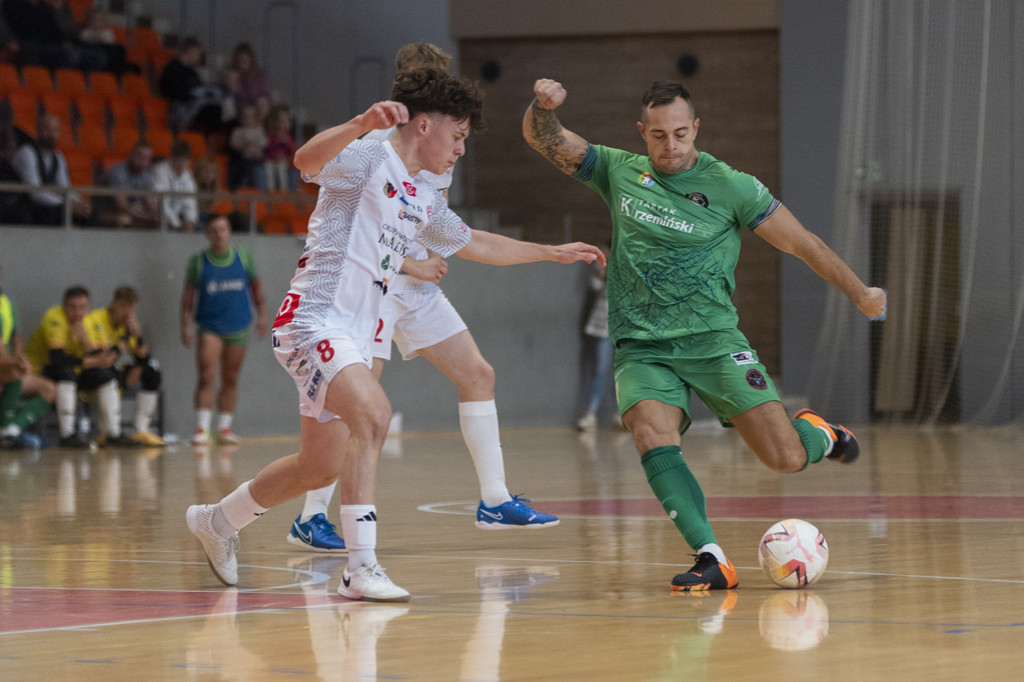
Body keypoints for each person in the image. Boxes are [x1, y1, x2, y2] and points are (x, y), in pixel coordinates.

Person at [185, 68, 603, 603]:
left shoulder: (419, 197)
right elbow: (305, 162)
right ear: (424, 125)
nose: (460, 151)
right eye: (458, 138)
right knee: (375, 415)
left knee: (321, 465)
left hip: (350, 335)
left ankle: (218, 521)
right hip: (313, 319)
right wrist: (360, 123)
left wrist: (549, 252)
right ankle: (360, 568)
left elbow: (471, 241)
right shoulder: (367, 158)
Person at [523, 78, 886, 591]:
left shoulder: (733, 185)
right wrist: (542, 108)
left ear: (695, 128)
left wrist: (860, 292)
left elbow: (804, 244)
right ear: (641, 133)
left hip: (714, 340)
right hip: (642, 343)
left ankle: (820, 434)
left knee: (783, 458)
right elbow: (547, 139)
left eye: (679, 134)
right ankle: (710, 556)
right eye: (657, 136)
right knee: (650, 432)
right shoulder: (618, 170)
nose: (669, 146)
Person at [285, 43, 562, 554]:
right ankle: (312, 516)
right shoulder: (376, 146)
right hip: (375, 285)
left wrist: (548, 250)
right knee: (358, 408)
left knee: (478, 374)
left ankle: (495, 498)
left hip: (417, 284)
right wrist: (409, 261)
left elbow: (444, 226)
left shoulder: (445, 139)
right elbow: (348, 208)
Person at [180, 215, 267, 445]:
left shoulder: (244, 258)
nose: (219, 234)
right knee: (207, 376)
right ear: (208, 234)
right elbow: (188, 297)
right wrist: (185, 324)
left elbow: (256, 289)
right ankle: (202, 428)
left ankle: (225, 429)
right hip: (210, 326)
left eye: (223, 229)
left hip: (238, 325)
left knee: (231, 378)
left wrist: (263, 315)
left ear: (229, 232)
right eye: (214, 230)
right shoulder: (198, 262)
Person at [24, 286, 133, 448]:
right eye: (72, 307)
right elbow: (57, 359)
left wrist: (86, 341)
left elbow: (98, 357)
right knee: (66, 372)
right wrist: (95, 361)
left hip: (70, 373)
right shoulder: (54, 317)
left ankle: (112, 433)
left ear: (88, 308)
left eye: (82, 307)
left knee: (105, 375)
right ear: (64, 306)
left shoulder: (85, 323)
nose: (78, 312)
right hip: (41, 371)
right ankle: (66, 435)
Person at [85, 286, 165, 446]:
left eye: (131, 309)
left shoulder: (127, 326)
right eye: (123, 307)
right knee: (109, 372)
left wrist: (138, 335)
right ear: (113, 303)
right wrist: (124, 340)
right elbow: (102, 359)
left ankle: (141, 430)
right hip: (90, 373)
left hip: (113, 370)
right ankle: (110, 432)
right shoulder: (94, 320)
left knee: (151, 373)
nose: (127, 313)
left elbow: (143, 358)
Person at [0, 264, 55, 450]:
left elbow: (16, 340)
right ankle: (6, 428)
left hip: (4, 366)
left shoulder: (6, 305)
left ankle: (12, 430)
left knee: (49, 389)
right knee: (13, 375)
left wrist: (20, 359)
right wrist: (16, 364)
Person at [12, 114, 91, 226]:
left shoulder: (58, 157)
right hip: (25, 206)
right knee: (63, 211)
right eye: (47, 130)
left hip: (49, 205)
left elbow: (63, 187)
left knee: (87, 213)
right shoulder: (27, 153)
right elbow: (34, 192)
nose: (51, 134)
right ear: (38, 130)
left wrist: (78, 201)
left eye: (54, 130)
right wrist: (67, 204)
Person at [576, 243, 614, 431]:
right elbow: (595, 286)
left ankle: (623, 415)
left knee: (626, 373)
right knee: (600, 369)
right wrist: (603, 271)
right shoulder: (602, 265)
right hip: (604, 326)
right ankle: (591, 414)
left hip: (629, 327)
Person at [158, 37, 224, 134]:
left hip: (193, 104)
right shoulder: (172, 68)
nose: (198, 57)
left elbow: (199, 87)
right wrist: (194, 93)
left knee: (217, 107)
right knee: (213, 111)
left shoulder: (192, 71)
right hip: (178, 106)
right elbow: (174, 92)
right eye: (197, 54)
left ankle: (204, 139)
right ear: (190, 51)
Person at [93, 142, 159, 229]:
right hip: (101, 214)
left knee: (157, 221)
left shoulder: (145, 176)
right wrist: (144, 217)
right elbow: (121, 206)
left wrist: (155, 216)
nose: (143, 163)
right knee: (124, 220)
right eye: (140, 157)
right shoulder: (118, 174)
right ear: (131, 155)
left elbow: (149, 203)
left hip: (126, 213)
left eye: (147, 159)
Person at [152, 139, 199, 232]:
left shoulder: (188, 177)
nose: (182, 164)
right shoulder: (160, 171)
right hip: (156, 216)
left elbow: (190, 202)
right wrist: (176, 224)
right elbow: (161, 201)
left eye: (185, 160)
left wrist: (190, 221)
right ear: (172, 158)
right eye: (179, 160)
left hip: (175, 220)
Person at [227, 104, 267, 191]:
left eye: (250, 117)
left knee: (256, 166)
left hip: (256, 158)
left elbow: (264, 143)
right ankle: (242, 186)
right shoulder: (237, 131)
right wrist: (243, 145)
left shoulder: (259, 130)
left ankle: (257, 191)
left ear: (255, 118)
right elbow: (233, 143)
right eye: (245, 116)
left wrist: (254, 148)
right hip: (240, 158)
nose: (247, 119)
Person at [263, 104, 298, 192]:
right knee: (268, 169)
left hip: (283, 161)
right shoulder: (271, 135)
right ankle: (270, 190)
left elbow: (292, 151)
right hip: (270, 160)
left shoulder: (288, 137)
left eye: (285, 121)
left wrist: (287, 143)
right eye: (280, 121)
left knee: (282, 169)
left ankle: (283, 191)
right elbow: (267, 149)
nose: (282, 124)